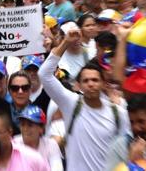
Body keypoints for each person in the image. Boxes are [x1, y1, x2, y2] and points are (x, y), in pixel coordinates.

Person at [40, 25, 129, 170]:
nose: (91, 84)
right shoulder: (71, 103)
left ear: (103, 83)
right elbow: (44, 74)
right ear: (79, 86)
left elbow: (124, 151)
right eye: (86, 81)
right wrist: (66, 42)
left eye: (95, 80)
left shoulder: (118, 113)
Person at [13, 105, 63, 171]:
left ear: (41, 128)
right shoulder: (14, 144)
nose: (25, 129)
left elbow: (57, 168)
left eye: (30, 125)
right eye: (22, 124)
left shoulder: (51, 145)